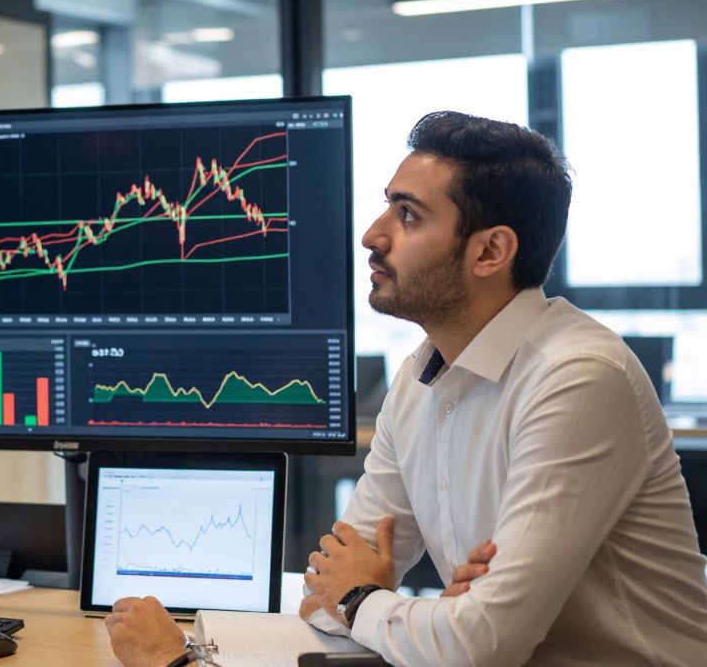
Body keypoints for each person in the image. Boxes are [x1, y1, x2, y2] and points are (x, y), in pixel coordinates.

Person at [106, 111, 707, 666]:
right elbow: (323, 598)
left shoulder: (577, 377)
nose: (373, 234)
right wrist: (413, 612)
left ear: (491, 251)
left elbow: (477, 641)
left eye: (409, 215)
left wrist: (368, 599)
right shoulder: (420, 377)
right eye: (386, 208)